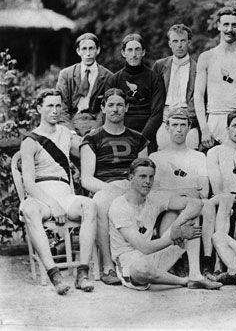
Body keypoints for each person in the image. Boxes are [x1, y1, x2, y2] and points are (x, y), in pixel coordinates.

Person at [19, 89, 96, 295]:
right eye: (49, 106)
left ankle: (82, 273)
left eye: (58, 106)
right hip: (41, 195)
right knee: (29, 209)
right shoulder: (30, 141)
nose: (55, 110)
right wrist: (53, 204)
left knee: (89, 205)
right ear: (38, 109)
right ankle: (55, 275)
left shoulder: (66, 134)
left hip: (64, 192)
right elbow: (28, 183)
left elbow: (87, 149)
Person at [108, 158, 221, 290]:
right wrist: (173, 236)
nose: (147, 182)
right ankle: (185, 281)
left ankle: (195, 275)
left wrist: (176, 226)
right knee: (142, 269)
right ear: (131, 178)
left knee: (190, 217)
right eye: (142, 177)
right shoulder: (119, 206)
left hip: (152, 256)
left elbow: (196, 204)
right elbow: (144, 247)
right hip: (130, 263)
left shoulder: (154, 198)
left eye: (151, 177)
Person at [81, 88, 148, 285]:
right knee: (100, 203)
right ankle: (108, 266)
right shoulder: (92, 139)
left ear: (126, 107)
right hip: (106, 187)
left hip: (133, 188)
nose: (115, 109)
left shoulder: (138, 138)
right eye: (110, 105)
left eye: (120, 104)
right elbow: (86, 179)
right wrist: (111, 189)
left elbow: (145, 172)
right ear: (103, 108)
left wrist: (132, 189)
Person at [148, 107, 211, 273]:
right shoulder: (156, 157)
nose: (179, 129)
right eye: (174, 125)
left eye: (183, 125)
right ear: (167, 128)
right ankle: (175, 262)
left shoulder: (198, 157)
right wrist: (185, 192)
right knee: (174, 212)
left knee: (193, 210)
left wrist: (175, 192)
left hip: (191, 206)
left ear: (189, 127)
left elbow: (204, 191)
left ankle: (190, 267)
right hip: (166, 208)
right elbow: (155, 192)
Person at [194, 6, 236, 149]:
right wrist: (204, 128)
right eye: (226, 24)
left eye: (234, 25)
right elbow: (198, 95)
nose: (229, 29)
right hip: (214, 121)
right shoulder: (206, 57)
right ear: (218, 26)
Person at [205, 110, 236, 266]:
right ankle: (219, 262)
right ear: (227, 128)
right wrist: (231, 200)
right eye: (234, 126)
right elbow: (216, 187)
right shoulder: (215, 152)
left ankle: (232, 257)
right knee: (226, 199)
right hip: (222, 199)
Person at [105, 33, 165, 151]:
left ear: (143, 52)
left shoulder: (154, 78)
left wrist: (141, 140)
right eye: (130, 50)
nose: (134, 54)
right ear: (123, 53)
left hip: (148, 133)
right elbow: (110, 111)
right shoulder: (114, 80)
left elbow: (157, 113)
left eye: (137, 50)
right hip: (120, 131)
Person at [153, 24, 200, 150]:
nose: (179, 45)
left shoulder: (198, 69)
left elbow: (200, 99)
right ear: (169, 44)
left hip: (188, 120)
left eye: (183, 41)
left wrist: (186, 118)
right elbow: (154, 96)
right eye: (175, 41)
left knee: (191, 151)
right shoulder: (160, 66)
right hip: (164, 119)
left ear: (188, 42)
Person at [56, 33, 112, 136]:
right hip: (72, 120)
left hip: (96, 122)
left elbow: (107, 107)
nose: (88, 53)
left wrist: (95, 130)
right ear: (78, 51)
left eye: (91, 48)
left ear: (98, 50)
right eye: (84, 49)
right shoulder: (66, 74)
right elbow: (61, 105)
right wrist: (70, 130)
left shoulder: (108, 77)